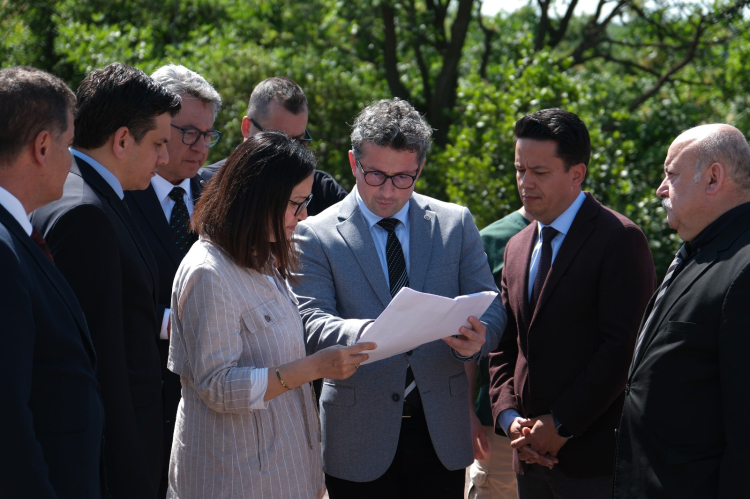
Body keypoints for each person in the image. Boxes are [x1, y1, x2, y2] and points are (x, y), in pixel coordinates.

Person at [293, 98, 506, 498]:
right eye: (375, 175)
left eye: (403, 177)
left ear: (420, 169)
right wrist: (371, 333)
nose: (388, 191)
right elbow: (309, 321)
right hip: (357, 436)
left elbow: (492, 305)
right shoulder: (315, 234)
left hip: (440, 434)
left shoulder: (455, 223)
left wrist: (478, 338)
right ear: (354, 163)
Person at [167, 131, 375, 499]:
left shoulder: (259, 256)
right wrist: (314, 368)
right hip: (234, 481)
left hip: (283, 473)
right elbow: (216, 385)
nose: (304, 215)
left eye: (306, 202)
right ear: (258, 198)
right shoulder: (208, 272)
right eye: (295, 203)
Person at [31, 62, 181, 498]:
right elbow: (99, 365)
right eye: (158, 143)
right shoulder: (85, 212)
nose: (165, 158)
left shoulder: (86, 194)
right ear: (122, 140)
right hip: (112, 461)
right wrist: (130, 474)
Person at [488, 108, 656, 498]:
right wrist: (509, 417)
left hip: (594, 463)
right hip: (526, 456)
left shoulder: (620, 239)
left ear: (576, 174)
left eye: (539, 172)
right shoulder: (516, 247)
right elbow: (504, 345)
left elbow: (623, 348)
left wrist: (562, 424)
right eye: (519, 169)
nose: (525, 182)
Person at [614, 124, 750, 498]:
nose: (661, 189)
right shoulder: (700, 249)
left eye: (671, 174)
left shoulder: (743, 266)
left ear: (713, 178)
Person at [0, 66, 105, 499]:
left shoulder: (16, 235)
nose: (72, 158)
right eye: (69, 143)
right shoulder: (4, 251)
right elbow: (8, 420)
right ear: (43, 146)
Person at [123, 63, 222, 495]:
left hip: (212, 405)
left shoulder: (218, 194)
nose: (201, 147)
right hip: (142, 403)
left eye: (208, 135)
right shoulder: (119, 195)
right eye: (189, 133)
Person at [465, 206, 535, 499]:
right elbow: (466, 334)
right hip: (498, 428)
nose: (527, 184)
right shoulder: (490, 240)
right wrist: (467, 411)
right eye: (522, 179)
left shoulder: (601, 237)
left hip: (573, 433)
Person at [202, 76, 347, 215]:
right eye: (278, 140)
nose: (290, 152)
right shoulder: (205, 186)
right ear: (247, 128)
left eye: (298, 141)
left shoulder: (323, 191)